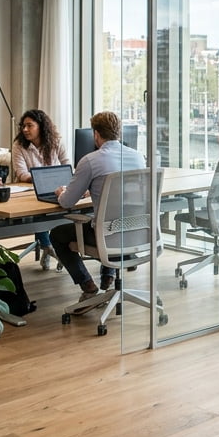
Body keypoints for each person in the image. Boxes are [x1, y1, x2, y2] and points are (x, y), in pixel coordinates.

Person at [48, 111, 145, 304]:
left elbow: (67, 202)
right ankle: (108, 277)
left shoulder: (91, 160)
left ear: (96, 134)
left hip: (107, 236)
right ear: (118, 132)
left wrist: (60, 192)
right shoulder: (138, 157)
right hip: (136, 232)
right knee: (108, 220)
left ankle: (88, 285)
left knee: (57, 235)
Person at [11, 109, 71, 271]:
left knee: (60, 213)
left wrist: (51, 179)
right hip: (31, 191)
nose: (25, 129)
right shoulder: (19, 145)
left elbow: (67, 165)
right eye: (23, 126)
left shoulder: (56, 141)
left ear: (41, 126)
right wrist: (41, 179)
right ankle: (48, 247)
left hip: (58, 188)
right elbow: (21, 173)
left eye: (29, 126)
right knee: (40, 215)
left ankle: (48, 248)